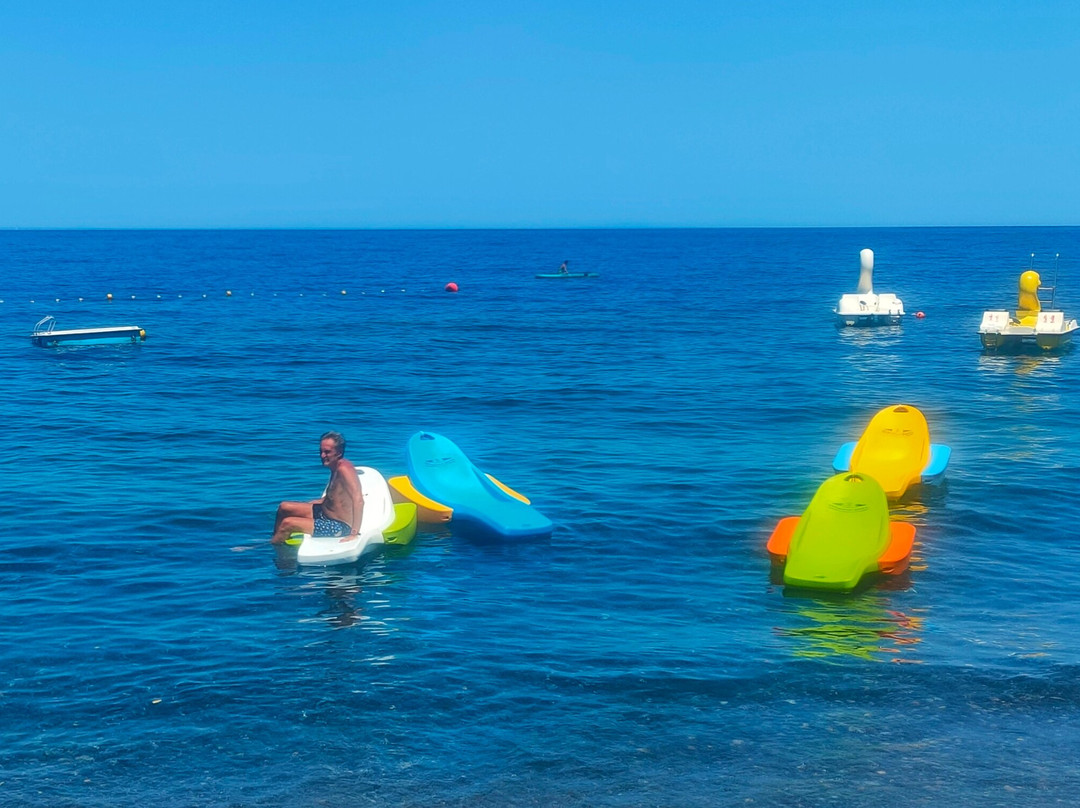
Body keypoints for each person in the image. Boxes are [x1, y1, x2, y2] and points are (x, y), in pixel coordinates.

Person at [271, 431, 364, 543]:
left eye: (327, 452)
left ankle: (272, 549)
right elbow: (335, 495)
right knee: (284, 507)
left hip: (339, 526)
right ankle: (275, 537)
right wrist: (317, 502)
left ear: (339, 452)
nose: (322, 455)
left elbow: (358, 500)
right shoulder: (335, 467)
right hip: (324, 513)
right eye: (321, 451)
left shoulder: (344, 469)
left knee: (288, 523)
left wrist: (354, 533)